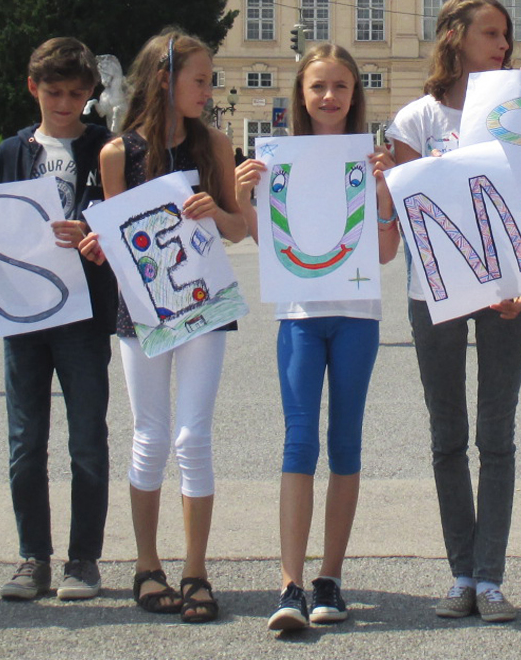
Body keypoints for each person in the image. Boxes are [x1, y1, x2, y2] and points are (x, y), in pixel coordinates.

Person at [234, 44, 400, 632]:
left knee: (346, 443)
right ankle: (289, 583)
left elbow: (384, 251)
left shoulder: (369, 159)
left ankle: (329, 575)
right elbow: (270, 245)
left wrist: (383, 197)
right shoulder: (279, 159)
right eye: (318, 87)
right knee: (299, 442)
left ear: (355, 95)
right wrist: (243, 195)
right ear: (301, 96)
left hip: (357, 315)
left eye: (340, 87)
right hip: (301, 314)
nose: (329, 97)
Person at [0, 38, 121, 603]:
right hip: (22, 311)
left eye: (76, 94)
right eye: (54, 93)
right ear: (34, 89)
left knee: (86, 438)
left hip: (85, 312)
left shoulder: (106, 148)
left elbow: (122, 223)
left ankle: (84, 559)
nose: (65, 104)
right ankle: (32, 557)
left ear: (91, 93)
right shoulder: (11, 150)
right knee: (26, 439)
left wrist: (94, 235)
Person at [92, 29, 251, 623]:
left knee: (193, 437)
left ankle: (195, 569)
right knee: (150, 436)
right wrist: (99, 244)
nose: (208, 92)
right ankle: (145, 563)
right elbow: (115, 246)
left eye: (210, 81)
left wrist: (219, 211)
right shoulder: (117, 154)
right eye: (200, 80)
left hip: (204, 305)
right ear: (165, 79)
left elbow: (239, 231)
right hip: (143, 311)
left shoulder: (214, 145)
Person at [387, 0, 521, 623]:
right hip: (434, 291)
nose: (502, 44)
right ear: (455, 36)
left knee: (497, 435)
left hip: (505, 292)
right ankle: (460, 573)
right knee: (449, 436)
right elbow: (414, 222)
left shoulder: (519, 111)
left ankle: (491, 577)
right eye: (490, 34)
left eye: (505, 35)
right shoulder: (415, 120)